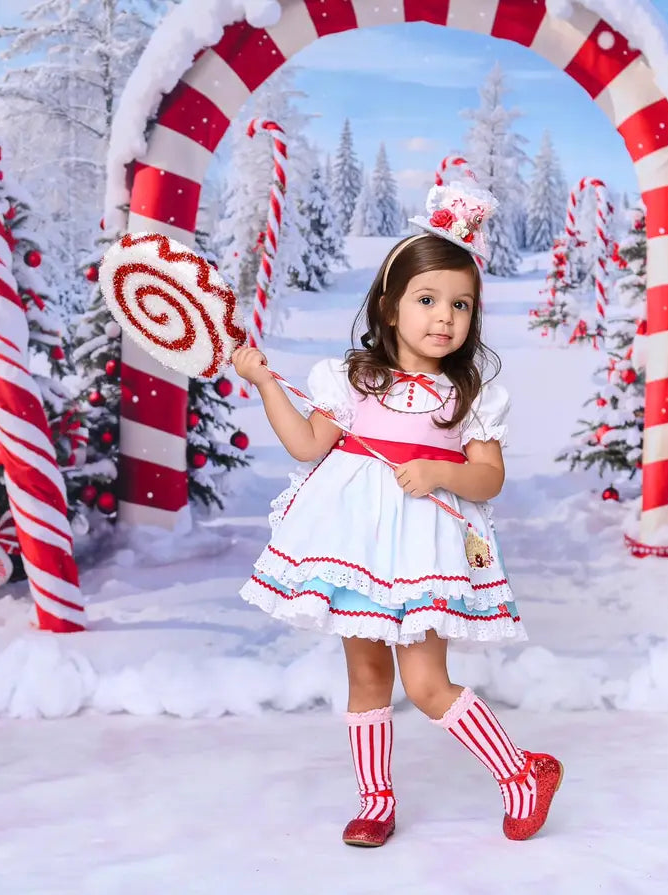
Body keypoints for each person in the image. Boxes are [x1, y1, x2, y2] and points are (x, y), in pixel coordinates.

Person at [232, 179, 562, 847]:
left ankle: (522, 772)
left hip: (418, 556)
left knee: (427, 679)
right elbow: (305, 444)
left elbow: (488, 478)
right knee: (367, 672)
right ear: (388, 307)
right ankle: (376, 798)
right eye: (428, 299)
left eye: (461, 304)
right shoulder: (352, 382)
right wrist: (267, 382)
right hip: (356, 548)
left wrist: (443, 470)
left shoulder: (466, 394)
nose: (445, 317)